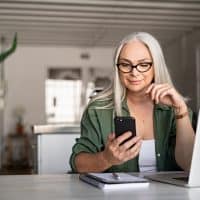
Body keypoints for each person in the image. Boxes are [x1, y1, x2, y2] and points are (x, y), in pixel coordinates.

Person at [70, 32, 195, 173]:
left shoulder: (176, 109)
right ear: (117, 68)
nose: (134, 72)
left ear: (156, 66)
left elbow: (190, 164)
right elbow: (78, 163)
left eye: (143, 64)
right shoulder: (98, 109)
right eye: (125, 64)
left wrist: (181, 110)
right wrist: (106, 158)